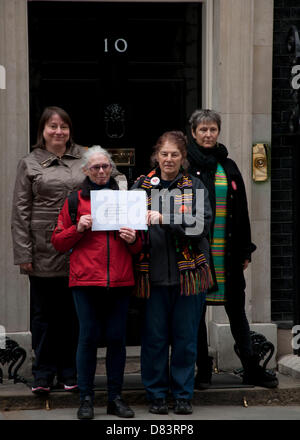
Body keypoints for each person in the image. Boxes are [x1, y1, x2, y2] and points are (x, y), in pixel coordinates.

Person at [187, 108, 278, 389]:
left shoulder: (229, 166)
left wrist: (246, 250)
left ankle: (250, 367)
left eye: (213, 129)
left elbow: (242, 211)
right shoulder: (186, 167)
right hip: (199, 252)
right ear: (193, 132)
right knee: (197, 313)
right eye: (202, 129)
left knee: (236, 310)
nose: (208, 134)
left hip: (228, 252)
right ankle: (203, 371)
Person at [51, 146, 142, 420]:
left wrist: (133, 240)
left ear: (111, 169)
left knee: (117, 340)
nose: (101, 172)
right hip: (85, 280)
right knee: (88, 339)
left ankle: (115, 398)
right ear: (86, 171)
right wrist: (76, 229)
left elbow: (141, 246)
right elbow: (57, 242)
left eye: (105, 167)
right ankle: (86, 398)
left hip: (120, 280)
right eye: (95, 168)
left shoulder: (127, 200)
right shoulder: (74, 201)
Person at [131, 131, 212, 415]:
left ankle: (182, 394)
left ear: (183, 158)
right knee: (153, 339)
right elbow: (129, 226)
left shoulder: (195, 186)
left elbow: (200, 226)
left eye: (174, 155)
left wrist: (166, 219)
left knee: (185, 338)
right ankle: (155, 394)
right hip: (151, 275)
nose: (168, 159)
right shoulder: (140, 186)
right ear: (156, 155)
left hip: (188, 277)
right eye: (164, 154)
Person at [11, 106, 87, 394]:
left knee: (72, 314)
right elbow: (20, 212)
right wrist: (23, 254)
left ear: (70, 130)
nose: (58, 131)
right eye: (52, 126)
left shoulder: (86, 158)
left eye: (63, 126)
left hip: (79, 248)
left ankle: (70, 370)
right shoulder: (29, 164)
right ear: (42, 131)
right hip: (42, 249)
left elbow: (112, 182)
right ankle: (43, 372)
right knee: (43, 316)